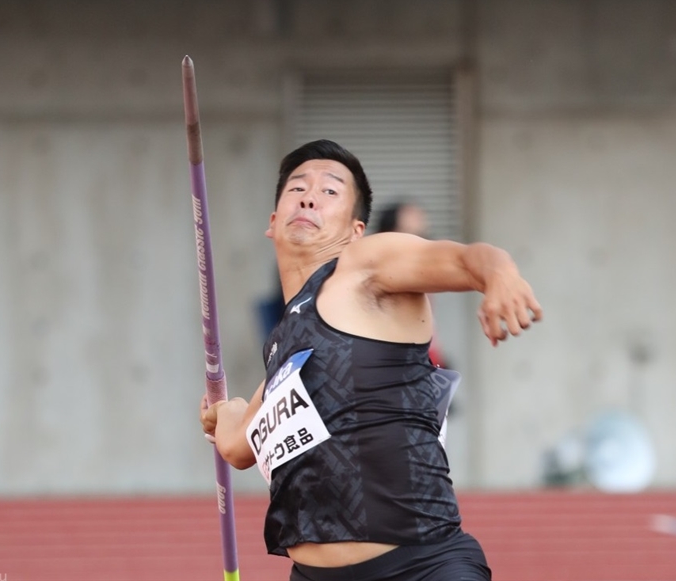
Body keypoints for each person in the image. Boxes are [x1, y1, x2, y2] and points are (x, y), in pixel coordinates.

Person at [200, 139, 542, 581]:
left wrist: (500, 276)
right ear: (273, 221)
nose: (309, 195)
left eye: (329, 191)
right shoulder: (283, 350)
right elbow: (238, 445)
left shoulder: (363, 266)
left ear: (356, 229)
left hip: (420, 567)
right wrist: (223, 411)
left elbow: (462, 258)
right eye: (297, 188)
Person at [374, 200, 450, 368]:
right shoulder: (383, 273)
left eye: (423, 235)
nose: (419, 242)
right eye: (410, 234)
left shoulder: (424, 271)